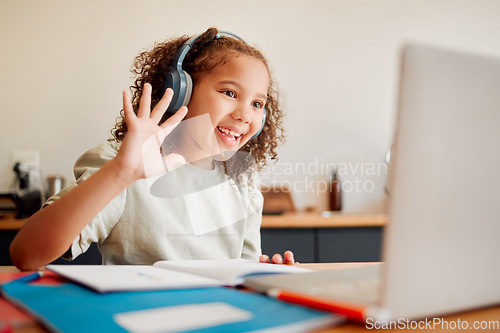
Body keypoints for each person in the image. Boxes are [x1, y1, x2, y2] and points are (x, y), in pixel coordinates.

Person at [10, 27, 295, 271]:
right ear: (181, 92)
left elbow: (243, 271)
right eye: (230, 93)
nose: (246, 115)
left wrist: (266, 274)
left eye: (258, 104)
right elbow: (26, 254)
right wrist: (121, 172)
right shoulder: (123, 163)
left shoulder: (242, 181)